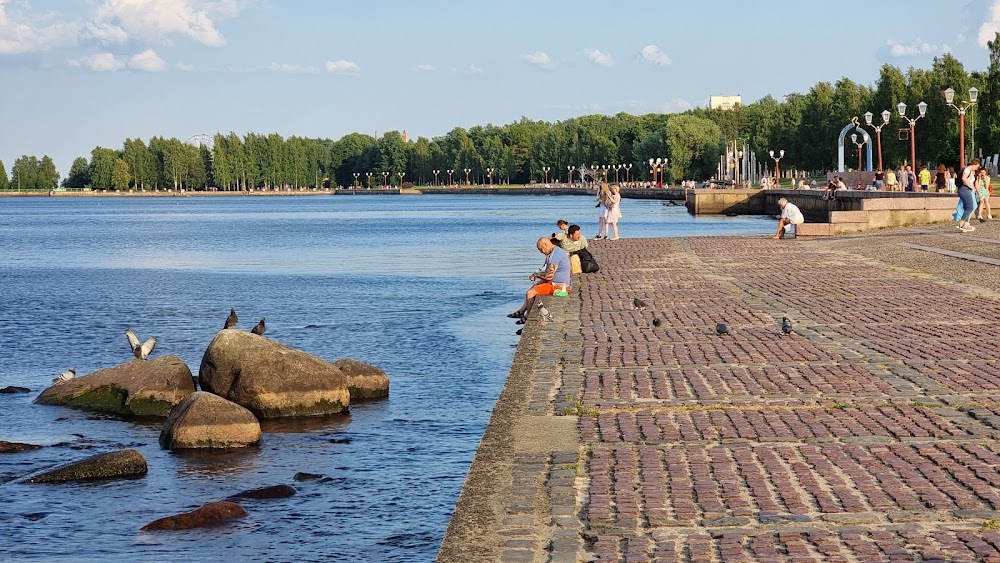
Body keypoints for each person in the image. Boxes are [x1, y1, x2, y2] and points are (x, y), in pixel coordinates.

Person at [506, 237, 572, 323]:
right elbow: (546, 271)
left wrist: (537, 275)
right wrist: (537, 275)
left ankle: (528, 318)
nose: (541, 252)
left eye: (541, 249)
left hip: (558, 286)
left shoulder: (556, 254)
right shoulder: (553, 252)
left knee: (530, 293)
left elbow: (549, 276)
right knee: (534, 287)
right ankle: (521, 311)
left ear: (546, 244)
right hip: (554, 282)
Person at [956, 158, 980, 232]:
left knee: (968, 207)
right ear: (973, 164)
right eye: (976, 166)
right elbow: (964, 178)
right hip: (965, 189)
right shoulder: (967, 170)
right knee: (970, 207)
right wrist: (970, 186)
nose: (977, 168)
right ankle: (961, 224)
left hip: (965, 190)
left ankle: (966, 224)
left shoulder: (969, 170)